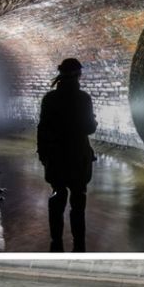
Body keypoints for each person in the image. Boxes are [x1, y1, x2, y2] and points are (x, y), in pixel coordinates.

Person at [37, 58, 98, 252]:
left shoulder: (49, 99)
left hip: (55, 156)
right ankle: (79, 244)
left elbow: (42, 128)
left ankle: (56, 242)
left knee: (57, 195)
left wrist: (43, 154)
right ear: (78, 75)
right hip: (78, 157)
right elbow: (89, 128)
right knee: (78, 199)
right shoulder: (83, 98)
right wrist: (93, 121)